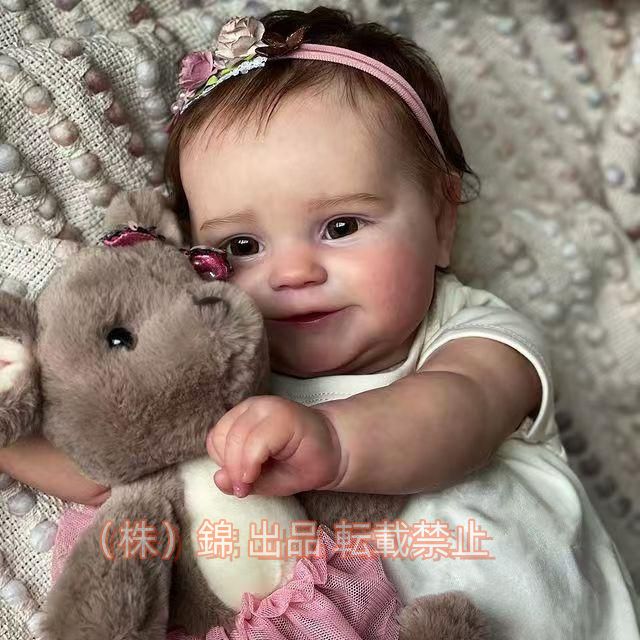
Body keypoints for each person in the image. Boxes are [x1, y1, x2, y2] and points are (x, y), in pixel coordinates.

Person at [3, 7, 639, 638]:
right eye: (242, 246)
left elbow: (462, 408)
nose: (293, 272)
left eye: (341, 226)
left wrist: (334, 444)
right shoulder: (226, 376)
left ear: (442, 221)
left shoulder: (469, 334)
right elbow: (114, 468)